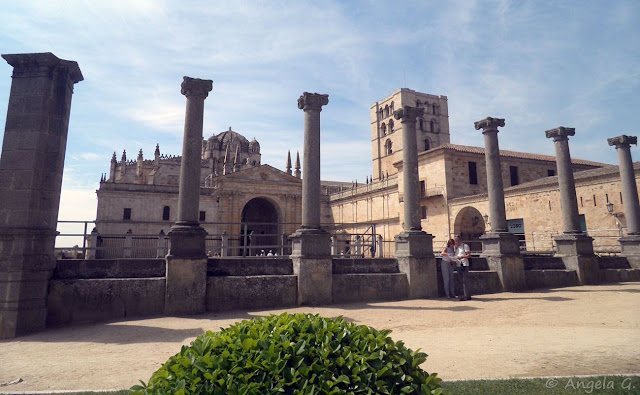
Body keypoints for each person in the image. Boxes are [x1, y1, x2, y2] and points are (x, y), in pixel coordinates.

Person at [454, 235, 472, 301]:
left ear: (460, 240)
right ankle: (464, 295)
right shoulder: (456, 247)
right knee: (461, 280)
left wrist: (462, 257)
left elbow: (469, 255)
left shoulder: (465, 246)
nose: (457, 242)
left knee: (465, 280)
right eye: (456, 241)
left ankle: (467, 296)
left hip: (464, 264)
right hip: (458, 264)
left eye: (457, 241)